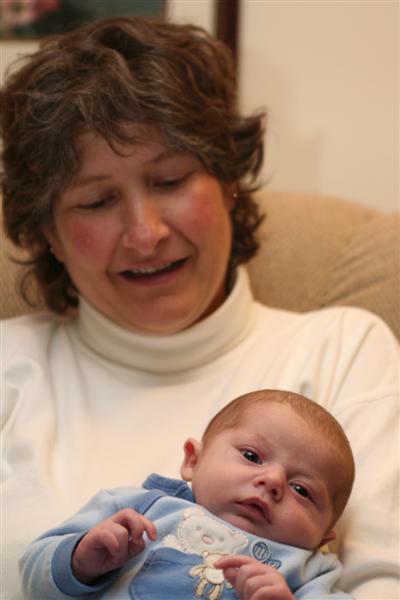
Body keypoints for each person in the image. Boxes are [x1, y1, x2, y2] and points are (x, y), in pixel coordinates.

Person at [0, 15, 398, 600]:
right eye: (97, 200)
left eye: (169, 180)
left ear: (228, 183)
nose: (145, 234)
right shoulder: (10, 363)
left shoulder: (343, 350)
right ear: (48, 234)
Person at [20, 390, 355, 599]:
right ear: (193, 460)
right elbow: (33, 577)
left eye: (302, 490)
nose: (272, 481)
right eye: (252, 456)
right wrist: (79, 561)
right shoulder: (138, 510)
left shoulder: (309, 569)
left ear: (324, 536)